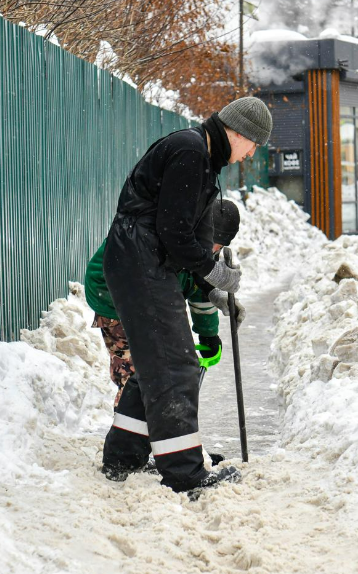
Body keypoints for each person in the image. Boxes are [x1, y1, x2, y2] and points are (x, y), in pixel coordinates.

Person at [99, 97, 272, 496]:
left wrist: (212, 289)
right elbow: (175, 233)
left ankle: (123, 457)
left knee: (156, 363)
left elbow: (193, 236)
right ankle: (184, 473)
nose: (251, 154)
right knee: (176, 366)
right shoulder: (190, 151)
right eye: (253, 144)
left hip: (143, 261)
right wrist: (214, 271)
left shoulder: (204, 159)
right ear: (238, 132)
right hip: (139, 261)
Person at [85, 199, 244, 406]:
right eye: (213, 241)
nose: (214, 249)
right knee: (137, 376)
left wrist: (208, 334)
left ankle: (158, 418)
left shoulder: (199, 245)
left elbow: (197, 283)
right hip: (112, 290)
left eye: (220, 245)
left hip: (153, 294)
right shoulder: (167, 232)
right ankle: (130, 422)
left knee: (165, 373)